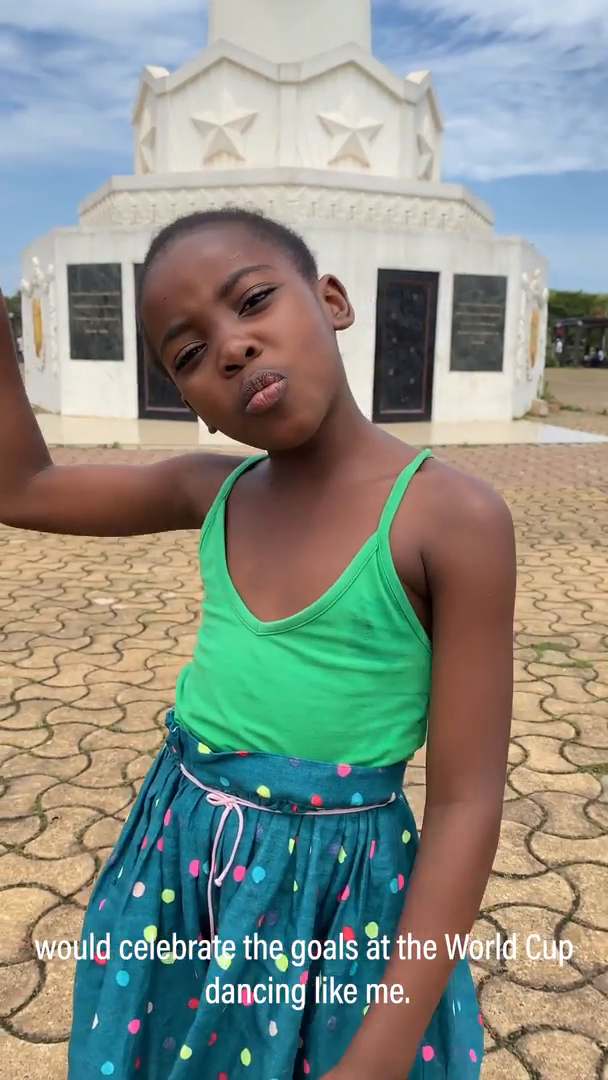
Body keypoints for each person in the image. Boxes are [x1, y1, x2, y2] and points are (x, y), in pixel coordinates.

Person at [0, 208, 516, 1080]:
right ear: (190, 403)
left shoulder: (453, 519)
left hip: (338, 903)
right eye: (190, 353)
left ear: (332, 300)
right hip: (175, 871)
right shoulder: (212, 491)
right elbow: (21, 487)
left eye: (253, 301)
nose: (233, 348)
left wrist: (382, 1051)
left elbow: (467, 803)